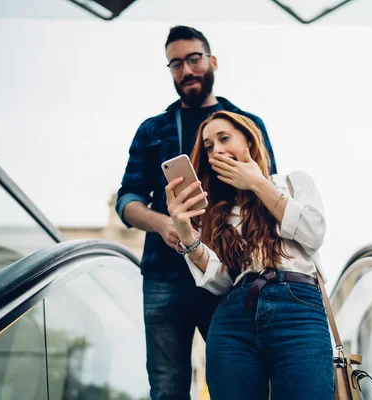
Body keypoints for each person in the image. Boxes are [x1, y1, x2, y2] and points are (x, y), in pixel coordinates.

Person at [115, 26, 277, 399]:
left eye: (193, 59)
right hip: (164, 275)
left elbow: (269, 189)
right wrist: (163, 224)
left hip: (230, 276)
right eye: (175, 64)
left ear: (212, 61)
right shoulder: (152, 130)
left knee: (236, 384)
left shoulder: (244, 124)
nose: (186, 70)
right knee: (167, 387)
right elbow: (127, 201)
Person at [166, 111, 334, 399]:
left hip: (298, 310)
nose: (216, 150)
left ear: (249, 139)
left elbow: (313, 232)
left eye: (224, 138)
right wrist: (185, 233)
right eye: (209, 146)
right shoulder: (217, 212)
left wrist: (257, 183)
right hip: (234, 318)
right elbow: (220, 281)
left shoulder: (292, 183)